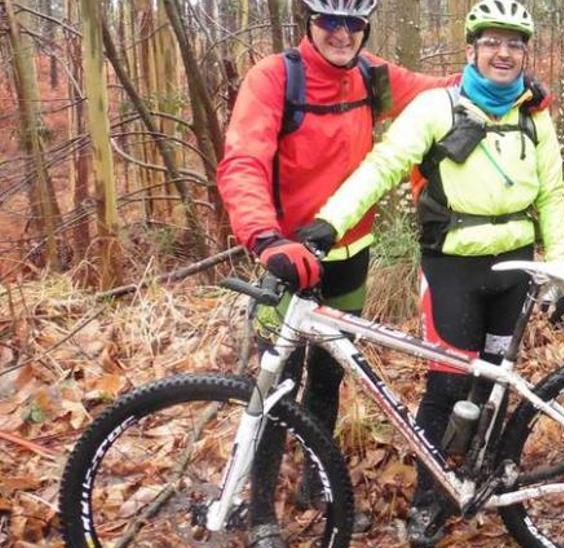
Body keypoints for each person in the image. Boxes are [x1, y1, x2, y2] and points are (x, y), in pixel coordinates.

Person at [298, 0, 564, 543]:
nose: (503, 53)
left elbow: (552, 195)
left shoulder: (533, 115)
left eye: (514, 44)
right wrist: (329, 223)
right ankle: (430, 495)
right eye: (492, 42)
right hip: (452, 267)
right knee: (447, 385)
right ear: (471, 50)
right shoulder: (435, 107)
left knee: (494, 382)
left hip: (516, 267)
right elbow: (382, 167)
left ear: (524, 53)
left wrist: (559, 271)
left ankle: (477, 475)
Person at [214, 0, 457, 544]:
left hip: (350, 256)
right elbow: (243, 160)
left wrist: (513, 85)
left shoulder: (373, 76)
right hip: (288, 260)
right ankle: (261, 515)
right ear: (309, 21)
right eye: (330, 21)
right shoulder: (276, 76)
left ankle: (315, 485)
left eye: (353, 23)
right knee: (276, 383)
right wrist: (266, 237)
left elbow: (444, 87)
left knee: (328, 377)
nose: (342, 34)